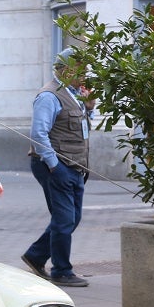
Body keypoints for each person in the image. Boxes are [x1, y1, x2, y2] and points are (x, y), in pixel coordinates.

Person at [21, 47, 94, 287]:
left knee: (72, 218)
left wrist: (89, 108)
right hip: (55, 165)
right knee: (64, 219)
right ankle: (62, 271)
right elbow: (38, 134)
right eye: (80, 70)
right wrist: (55, 167)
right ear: (65, 69)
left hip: (72, 165)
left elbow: (78, 128)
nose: (84, 74)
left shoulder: (73, 93)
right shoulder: (49, 96)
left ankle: (36, 255)